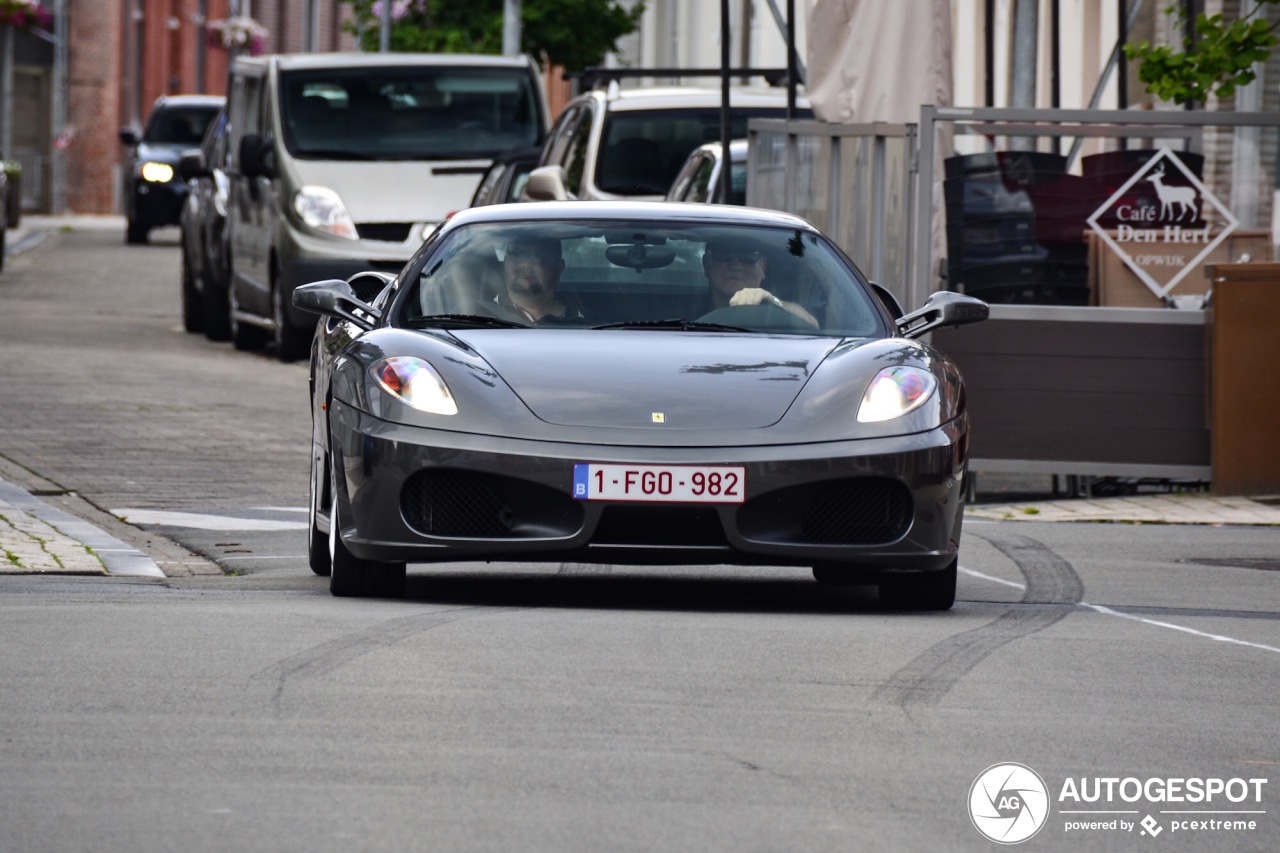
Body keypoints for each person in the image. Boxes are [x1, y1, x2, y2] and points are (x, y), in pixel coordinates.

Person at [700, 239, 818, 327]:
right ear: (706, 265)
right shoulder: (684, 313)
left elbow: (812, 324)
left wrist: (773, 301)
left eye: (748, 256)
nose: (735, 266)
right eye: (723, 255)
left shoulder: (776, 315)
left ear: (763, 267)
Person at [489, 236, 586, 325]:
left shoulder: (588, 322)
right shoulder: (481, 315)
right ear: (505, 264)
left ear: (559, 268)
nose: (526, 265)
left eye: (540, 257)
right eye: (517, 256)